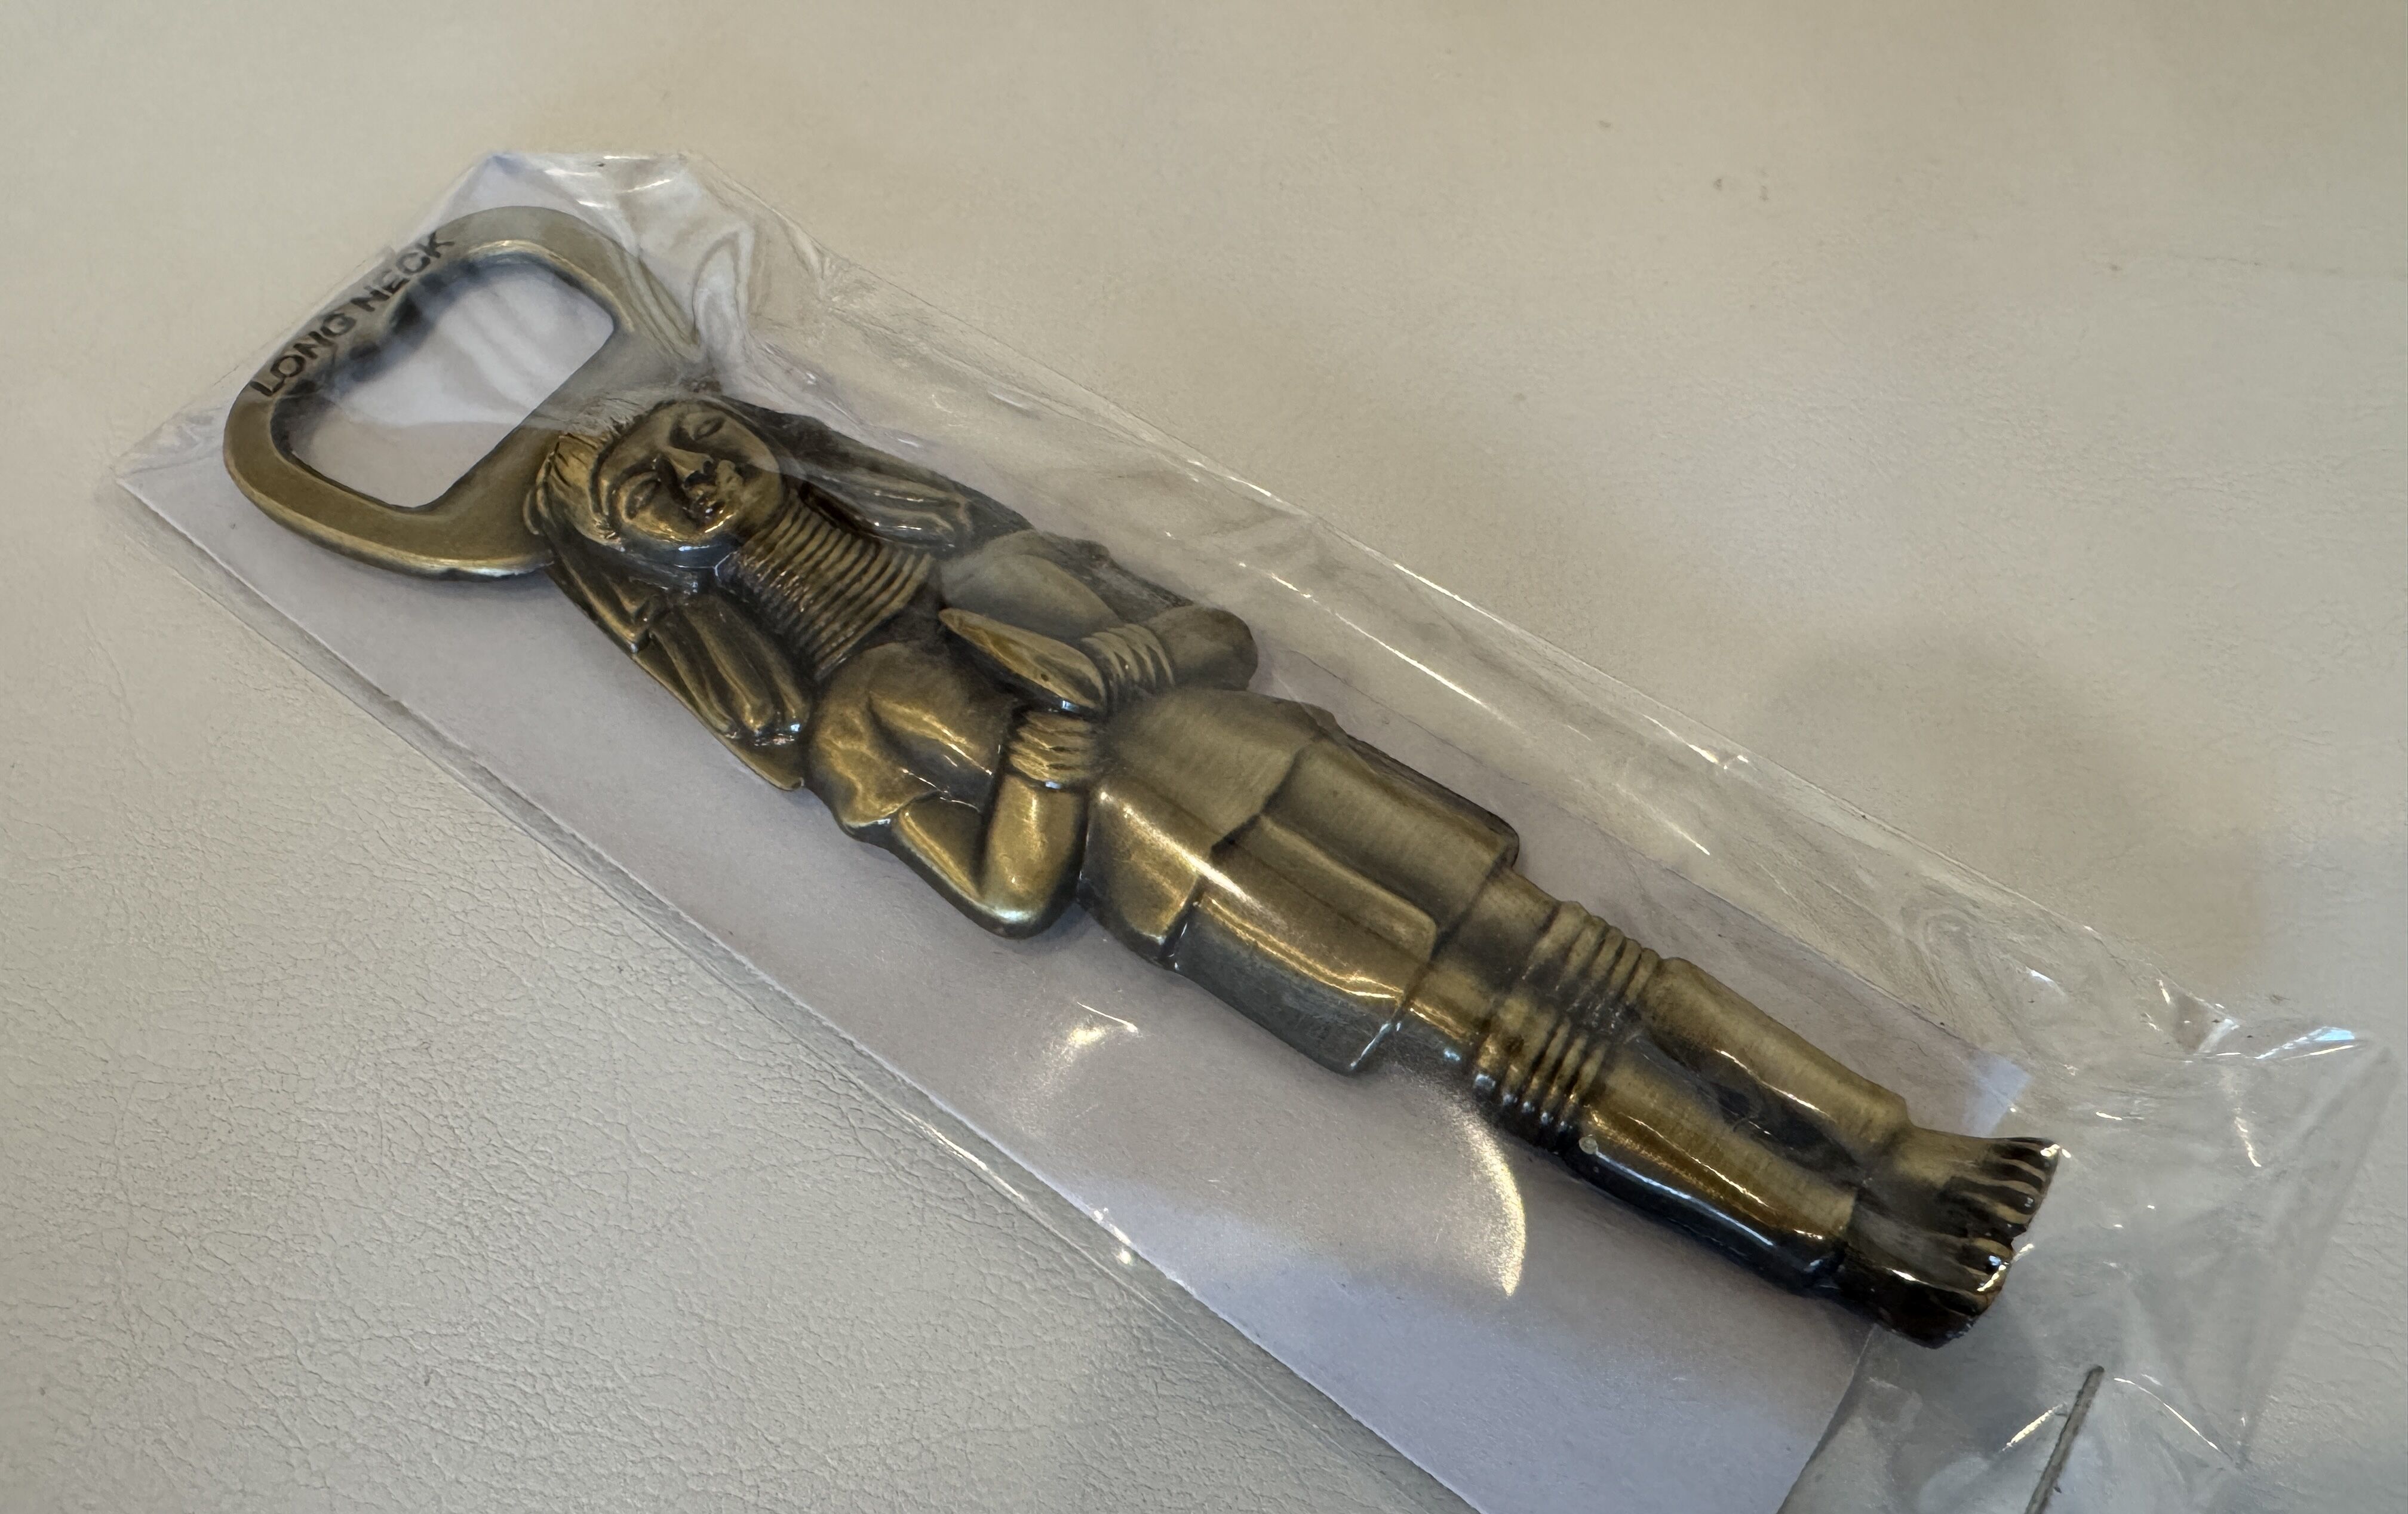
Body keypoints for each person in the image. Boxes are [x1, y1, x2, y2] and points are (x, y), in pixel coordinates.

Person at [529, 393, 2053, 1343]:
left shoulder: (991, 554)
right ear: (641, 564)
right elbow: (1002, 891)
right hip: (1194, 889)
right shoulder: (853, 718)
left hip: (1290, 763)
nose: (686, 472)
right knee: (1507, 1049)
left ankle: (1903, 1147)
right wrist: (1052, 753)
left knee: (1593, 956)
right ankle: (1847, 1247)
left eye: (685, 435)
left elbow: (1215, 634)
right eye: (642, 492)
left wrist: (1119, 663)